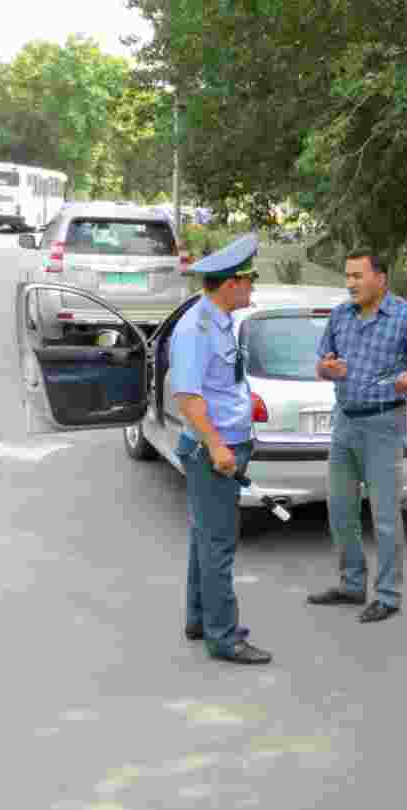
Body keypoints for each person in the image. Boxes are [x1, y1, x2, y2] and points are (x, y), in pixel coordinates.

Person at [307, 249, 407, 623]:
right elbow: (321, 365)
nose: (350, 283)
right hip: (345, 422)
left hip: (384, 423)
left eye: (357, 276)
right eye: (347, 276)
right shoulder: (340, 315)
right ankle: (351, 584)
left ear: (380, 279)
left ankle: (388, 594)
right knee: (340, 509)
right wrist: (328, 369)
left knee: (384, 515)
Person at [169, 233, 273, 665]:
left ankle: (201, 619)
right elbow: (188, 396)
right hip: (214, 451)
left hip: (225, 444)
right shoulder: (195, 328)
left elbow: (222, 382)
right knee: (218, 546)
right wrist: (216, 445)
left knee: (204, 539)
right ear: (231, 283)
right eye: (250, 279)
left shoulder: (220, 319)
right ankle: (224, 637)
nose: (252, 286)